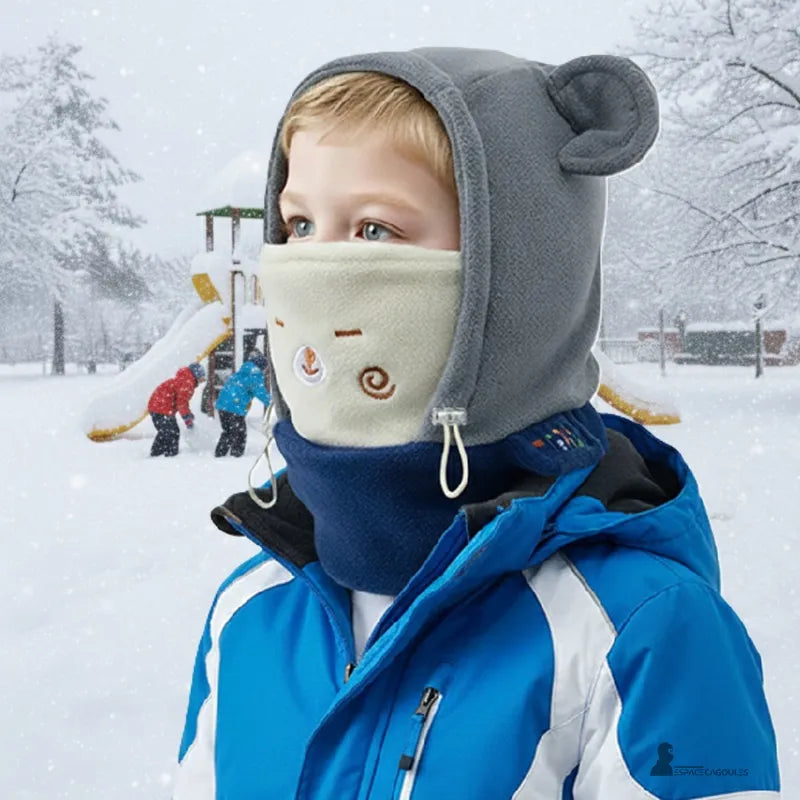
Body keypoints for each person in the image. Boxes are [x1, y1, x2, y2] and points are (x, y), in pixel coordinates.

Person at [174, 50, 781, 799]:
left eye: (374, 229)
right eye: (298, 224)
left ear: (515, 272)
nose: (317, 267)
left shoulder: (640, 630)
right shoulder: (252, 608)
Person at [214, 349, 272, 457]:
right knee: (240, 433)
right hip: (234, 407)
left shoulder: (242, 371)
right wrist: (272, 404)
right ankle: (237, 456)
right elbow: (261, 393)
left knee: (228, 431)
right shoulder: (255, 374)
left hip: (222, 406)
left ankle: (219, 454)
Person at [147, 362, 205, 457]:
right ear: (196, 375)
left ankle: (157, 453)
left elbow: (183, 401)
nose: (202, 381)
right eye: (201, 377)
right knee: (172, 432)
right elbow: (181, 403)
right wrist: (187, 419)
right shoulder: (187, 382)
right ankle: (169, 455)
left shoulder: (184, 379)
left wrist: (188, 414)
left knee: (166, 431)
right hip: (161, 408)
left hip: (158, 407)